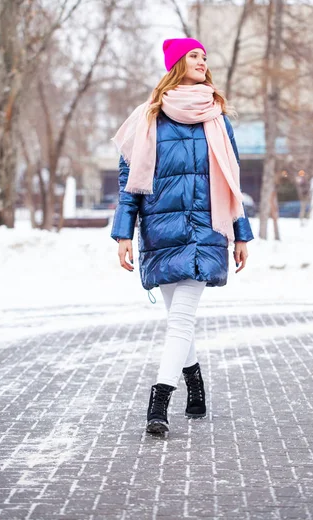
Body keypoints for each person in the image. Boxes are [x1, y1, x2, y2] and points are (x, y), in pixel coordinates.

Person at [111, 38, 254, 435]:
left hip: (207, 228)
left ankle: (158, 405)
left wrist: (241, 234)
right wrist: (124, 233)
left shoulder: (217, 117)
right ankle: (196, 385)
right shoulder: (150, 117)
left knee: (180, 320)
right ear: (176, 63)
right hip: (161, 228)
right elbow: (129, 181)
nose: (202, 61)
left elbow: (232, 178)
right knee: (178, 318)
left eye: (205, 56)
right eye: (194, 55)